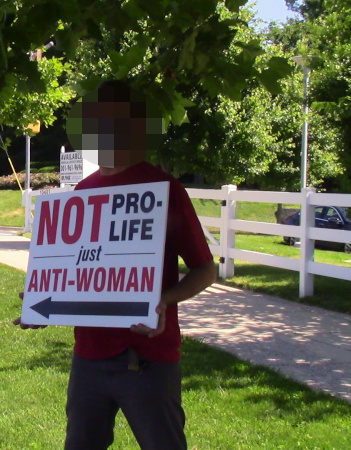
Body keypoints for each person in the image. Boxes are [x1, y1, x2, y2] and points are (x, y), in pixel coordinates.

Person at [14, 80, 217, 450]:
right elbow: (80, 270)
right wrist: (41, 305)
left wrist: (164, 301)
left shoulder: (163, 188)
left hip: (148, 356)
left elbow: (206, 270)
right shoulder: (82, 193)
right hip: (88, 356)